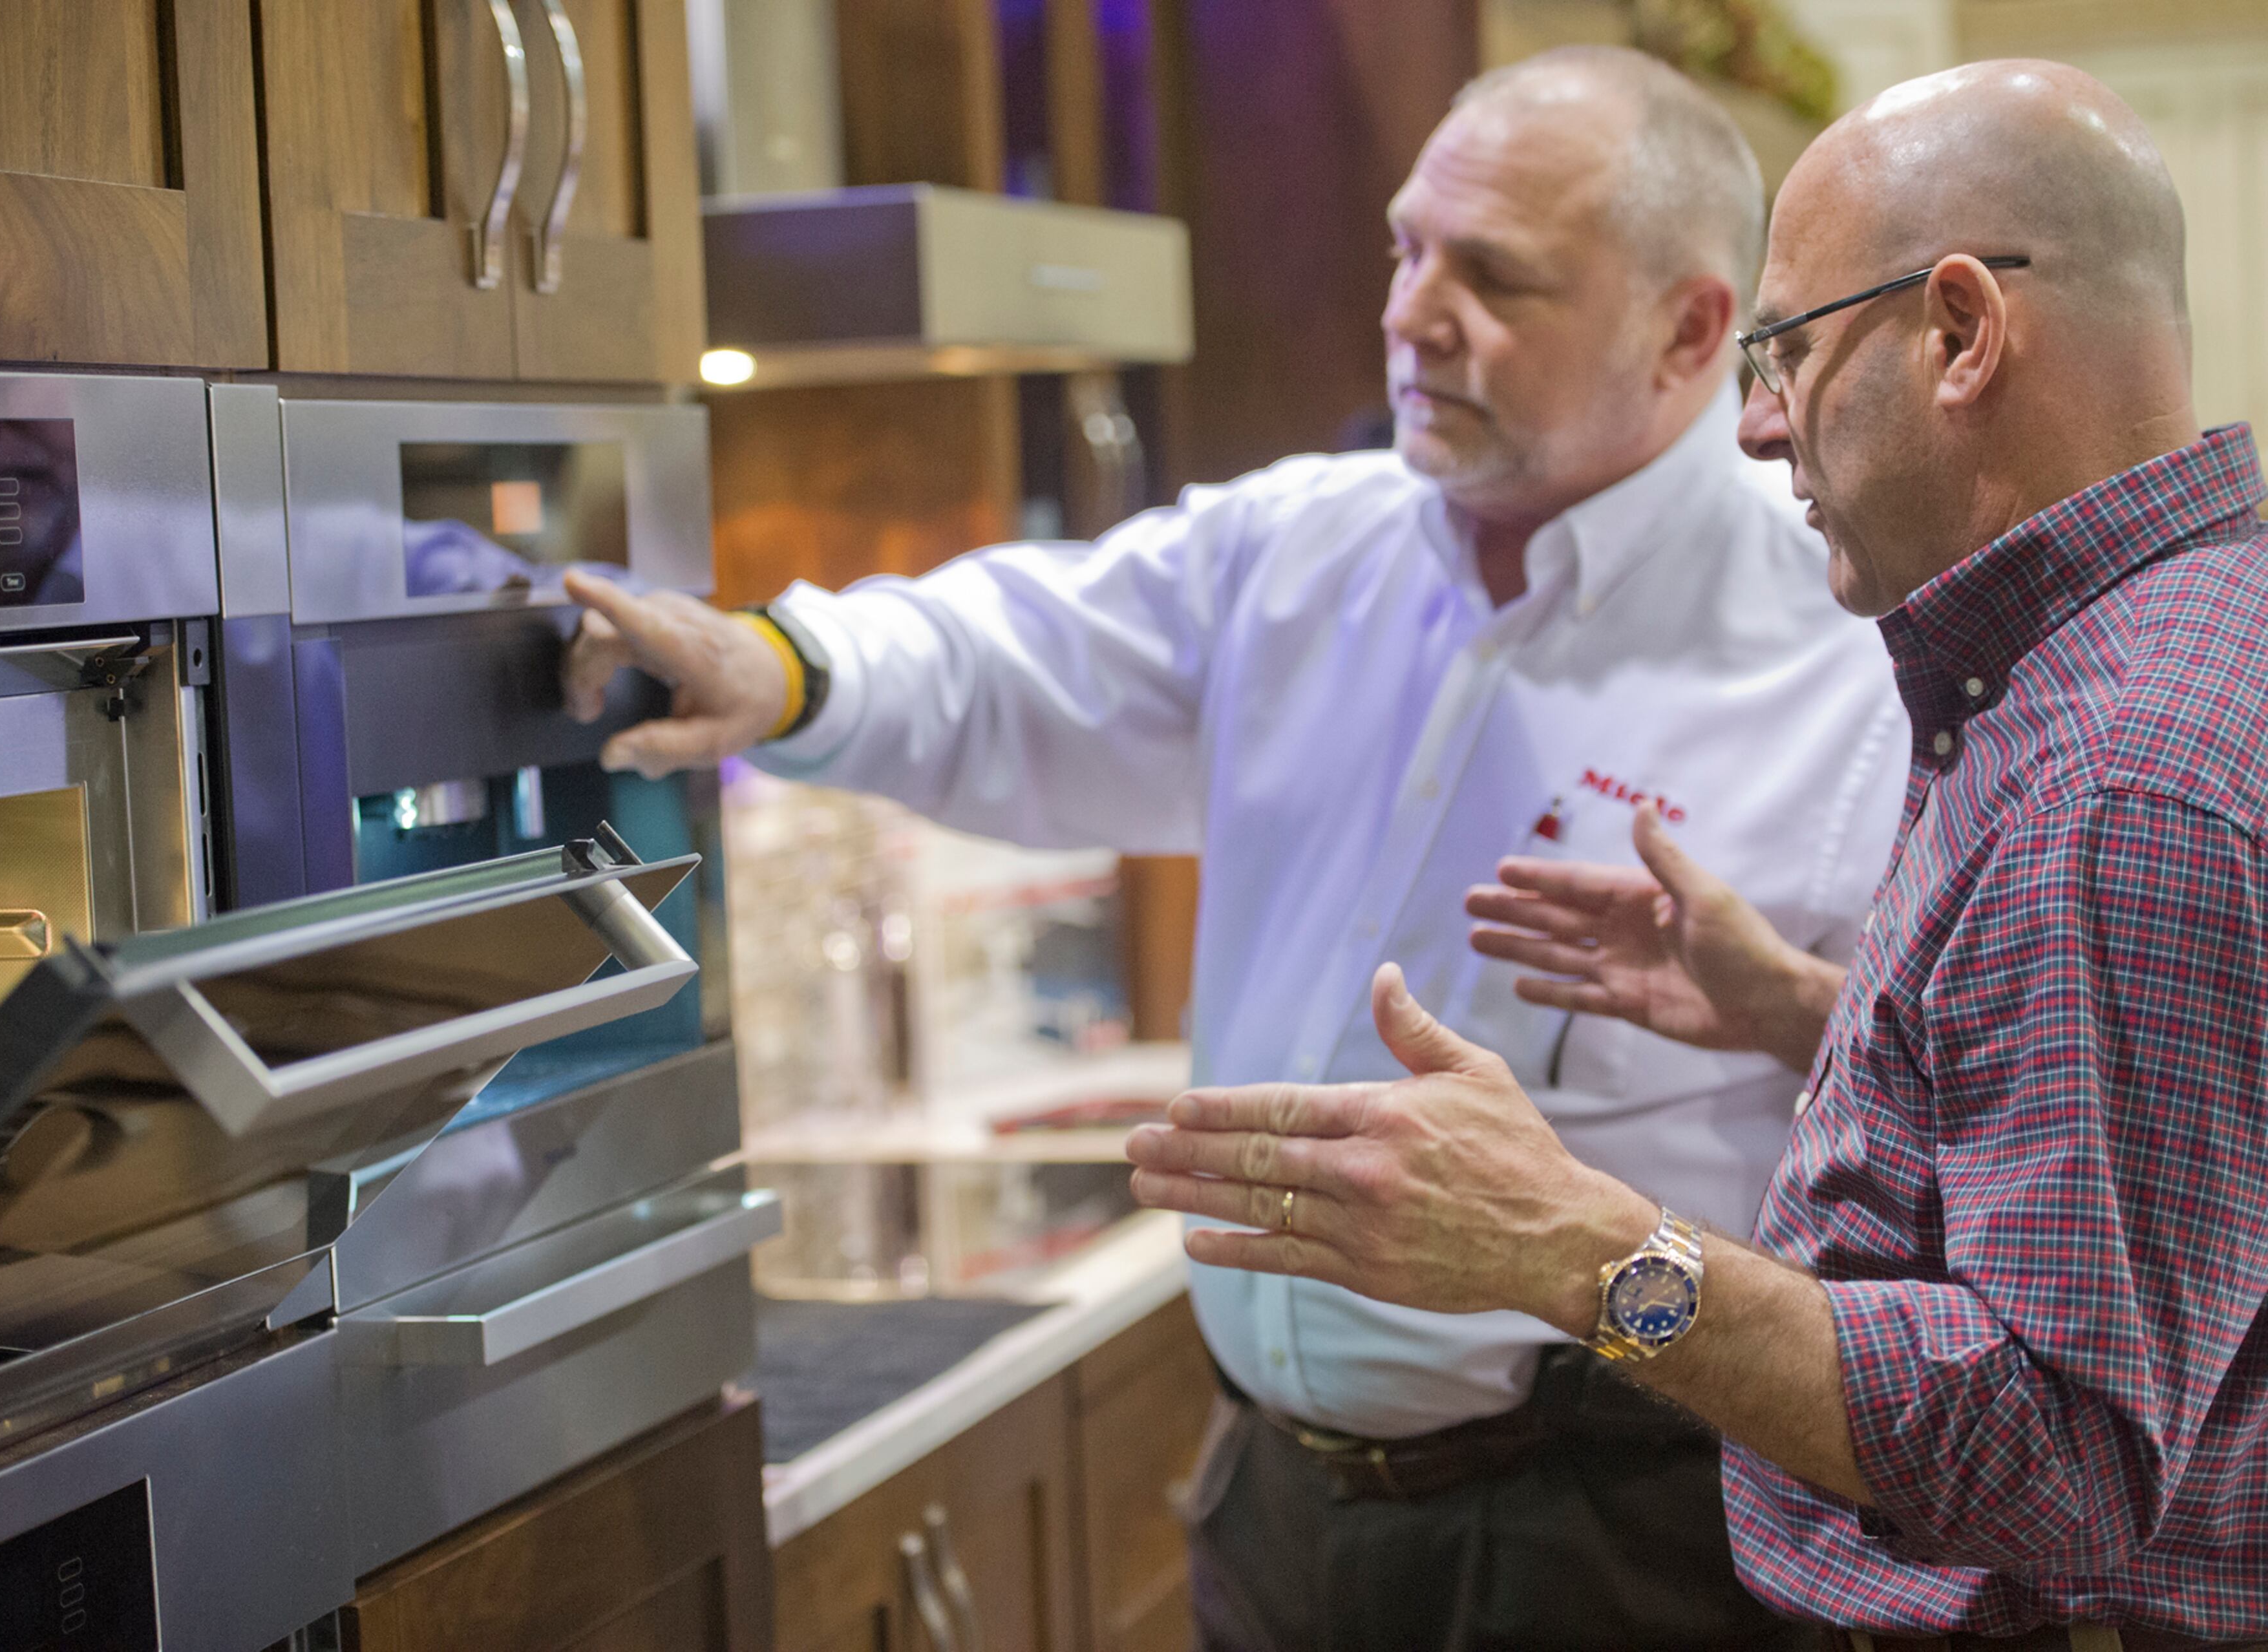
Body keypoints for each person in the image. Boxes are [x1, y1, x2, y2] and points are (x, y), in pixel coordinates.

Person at [564, 47, 1903, 1649]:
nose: (1414, 313)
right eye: (1410, 248)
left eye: (1496, 278)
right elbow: (1014, 654)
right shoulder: (1300, 548)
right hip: (1278, 1516)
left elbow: (1959, 1122)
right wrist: (777, 666)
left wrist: (1784, 1010)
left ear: (1691, 329)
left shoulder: (1850, 644)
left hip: (1618, 1544)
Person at [1125, 58, 2268, 1652]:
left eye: (1786, 355)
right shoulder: (2183, 642)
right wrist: (1805, 1009)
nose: (1752, 426)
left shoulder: (2112, 785)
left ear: (1960, 334)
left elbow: (2056, 1468)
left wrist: (1576, 1248)